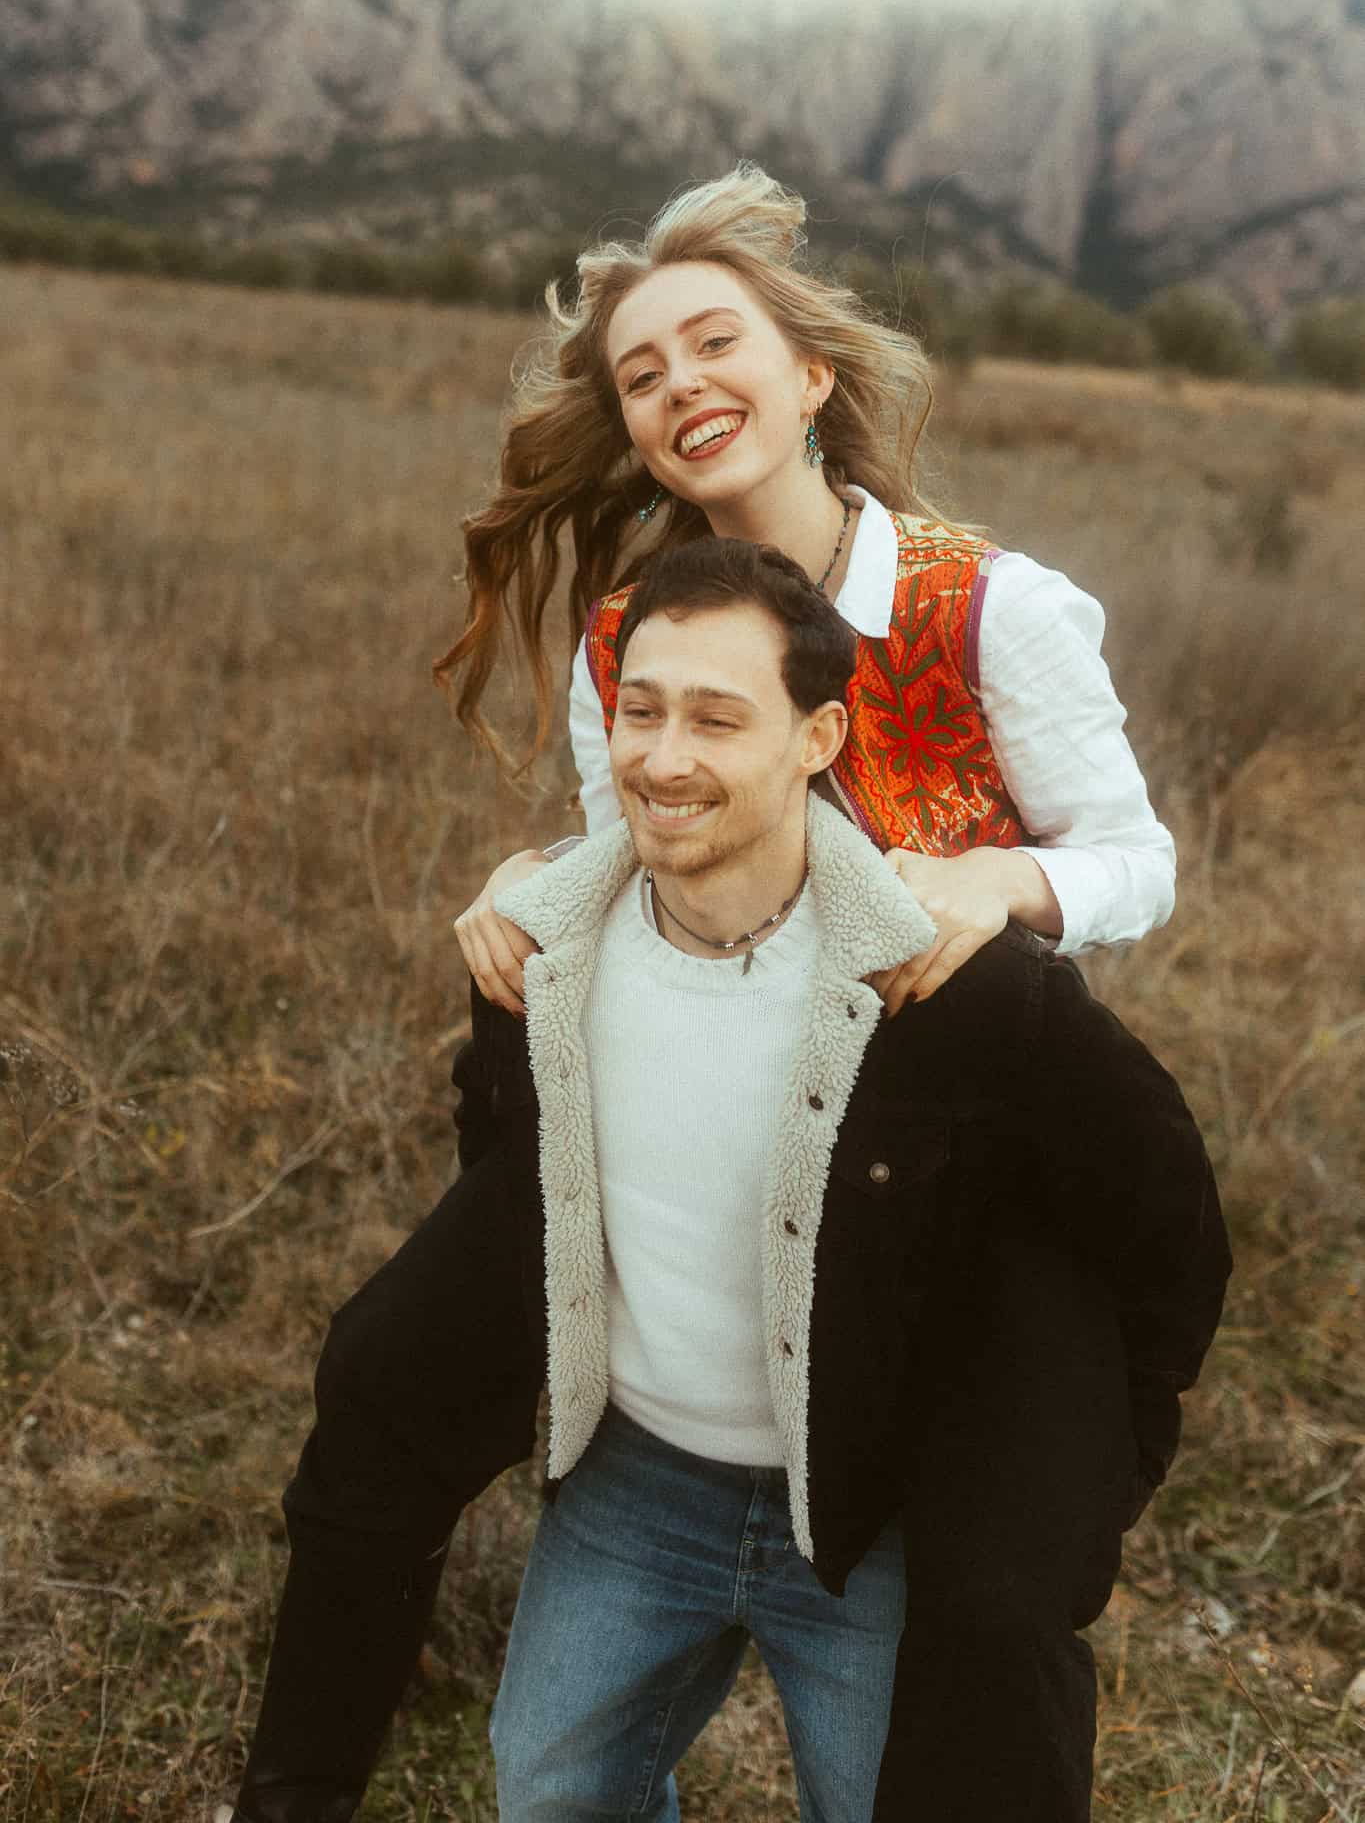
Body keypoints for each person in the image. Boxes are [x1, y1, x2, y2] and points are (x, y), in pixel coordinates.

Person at [228, 538, 1230, 1823]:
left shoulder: (953, 985)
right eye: (641, 710)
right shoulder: (541, 956)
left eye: (717, 718)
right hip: (635, 1486)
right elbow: (509, 1180)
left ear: (818, 737)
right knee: (552, 1787)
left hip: (872, 1515)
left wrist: (1098, 1459)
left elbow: (1168, 1223)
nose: (664, 757)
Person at [445, 162, 1176, 1022]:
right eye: (640, 379)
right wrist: (535, 876)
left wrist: (994, 878)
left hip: (969, 1071)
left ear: (811, 378)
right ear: (637, 436)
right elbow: (638, 870)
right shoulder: (617, 643)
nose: (680, 384)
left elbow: (1136, 866)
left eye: (715, 343)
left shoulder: (989, 606)